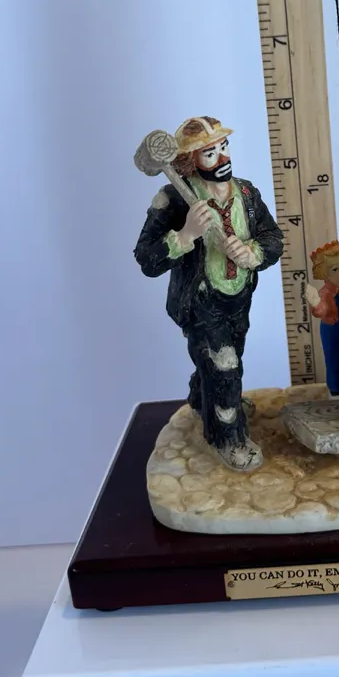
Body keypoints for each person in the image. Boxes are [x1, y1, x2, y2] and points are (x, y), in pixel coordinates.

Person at [134, 116, 283, 471]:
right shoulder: (173, 200)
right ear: (189, 161)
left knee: (229, 358)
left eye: (223, 147)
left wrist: (253, 252)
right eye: (210, 153)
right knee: (224, 364)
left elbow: (273, 238)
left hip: (238, 296)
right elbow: (146, 258)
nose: (223, 157)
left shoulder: (246, 194)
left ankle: (207, 399)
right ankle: (228, 437)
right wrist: (186, 234)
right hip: (201, 301)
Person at [304, 242, 339, 397]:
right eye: (335, 269)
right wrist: (316, 303)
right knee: (337, 361)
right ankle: (338, 391)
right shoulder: (326, 293)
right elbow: (322, 309)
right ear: (325, 275)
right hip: (335, 333)